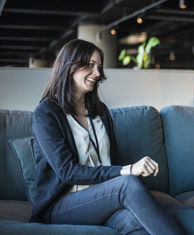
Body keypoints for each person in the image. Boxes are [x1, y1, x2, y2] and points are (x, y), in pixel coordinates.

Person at [31, 39, 184, 235]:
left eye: (99, 67)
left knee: (134, 224)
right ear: (69, 66)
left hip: (102, 198)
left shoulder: (99, 110)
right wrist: (129, 170)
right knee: (127, 182)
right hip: (61, 205)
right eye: (90, 65)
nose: (97, 73)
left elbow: (113, 161)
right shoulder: (46, 113)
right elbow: (67, 172)